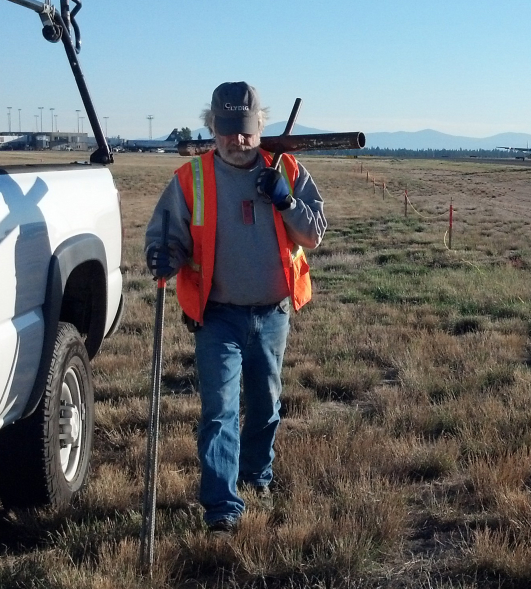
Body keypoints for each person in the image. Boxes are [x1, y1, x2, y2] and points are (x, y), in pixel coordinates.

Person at [144, 81, 327, 534]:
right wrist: (163, 255)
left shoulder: (288, 169)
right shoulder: (191, 178)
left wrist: (285, 199)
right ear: (212, 126)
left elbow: (313, 234)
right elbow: (166, 237)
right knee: (219, 411)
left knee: (266, 405)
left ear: (260, 126)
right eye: (227, 130)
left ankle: (256, 476)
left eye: (245, 131)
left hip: (272, 312)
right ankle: (222, 508)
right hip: (217, 314)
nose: (237, 141)